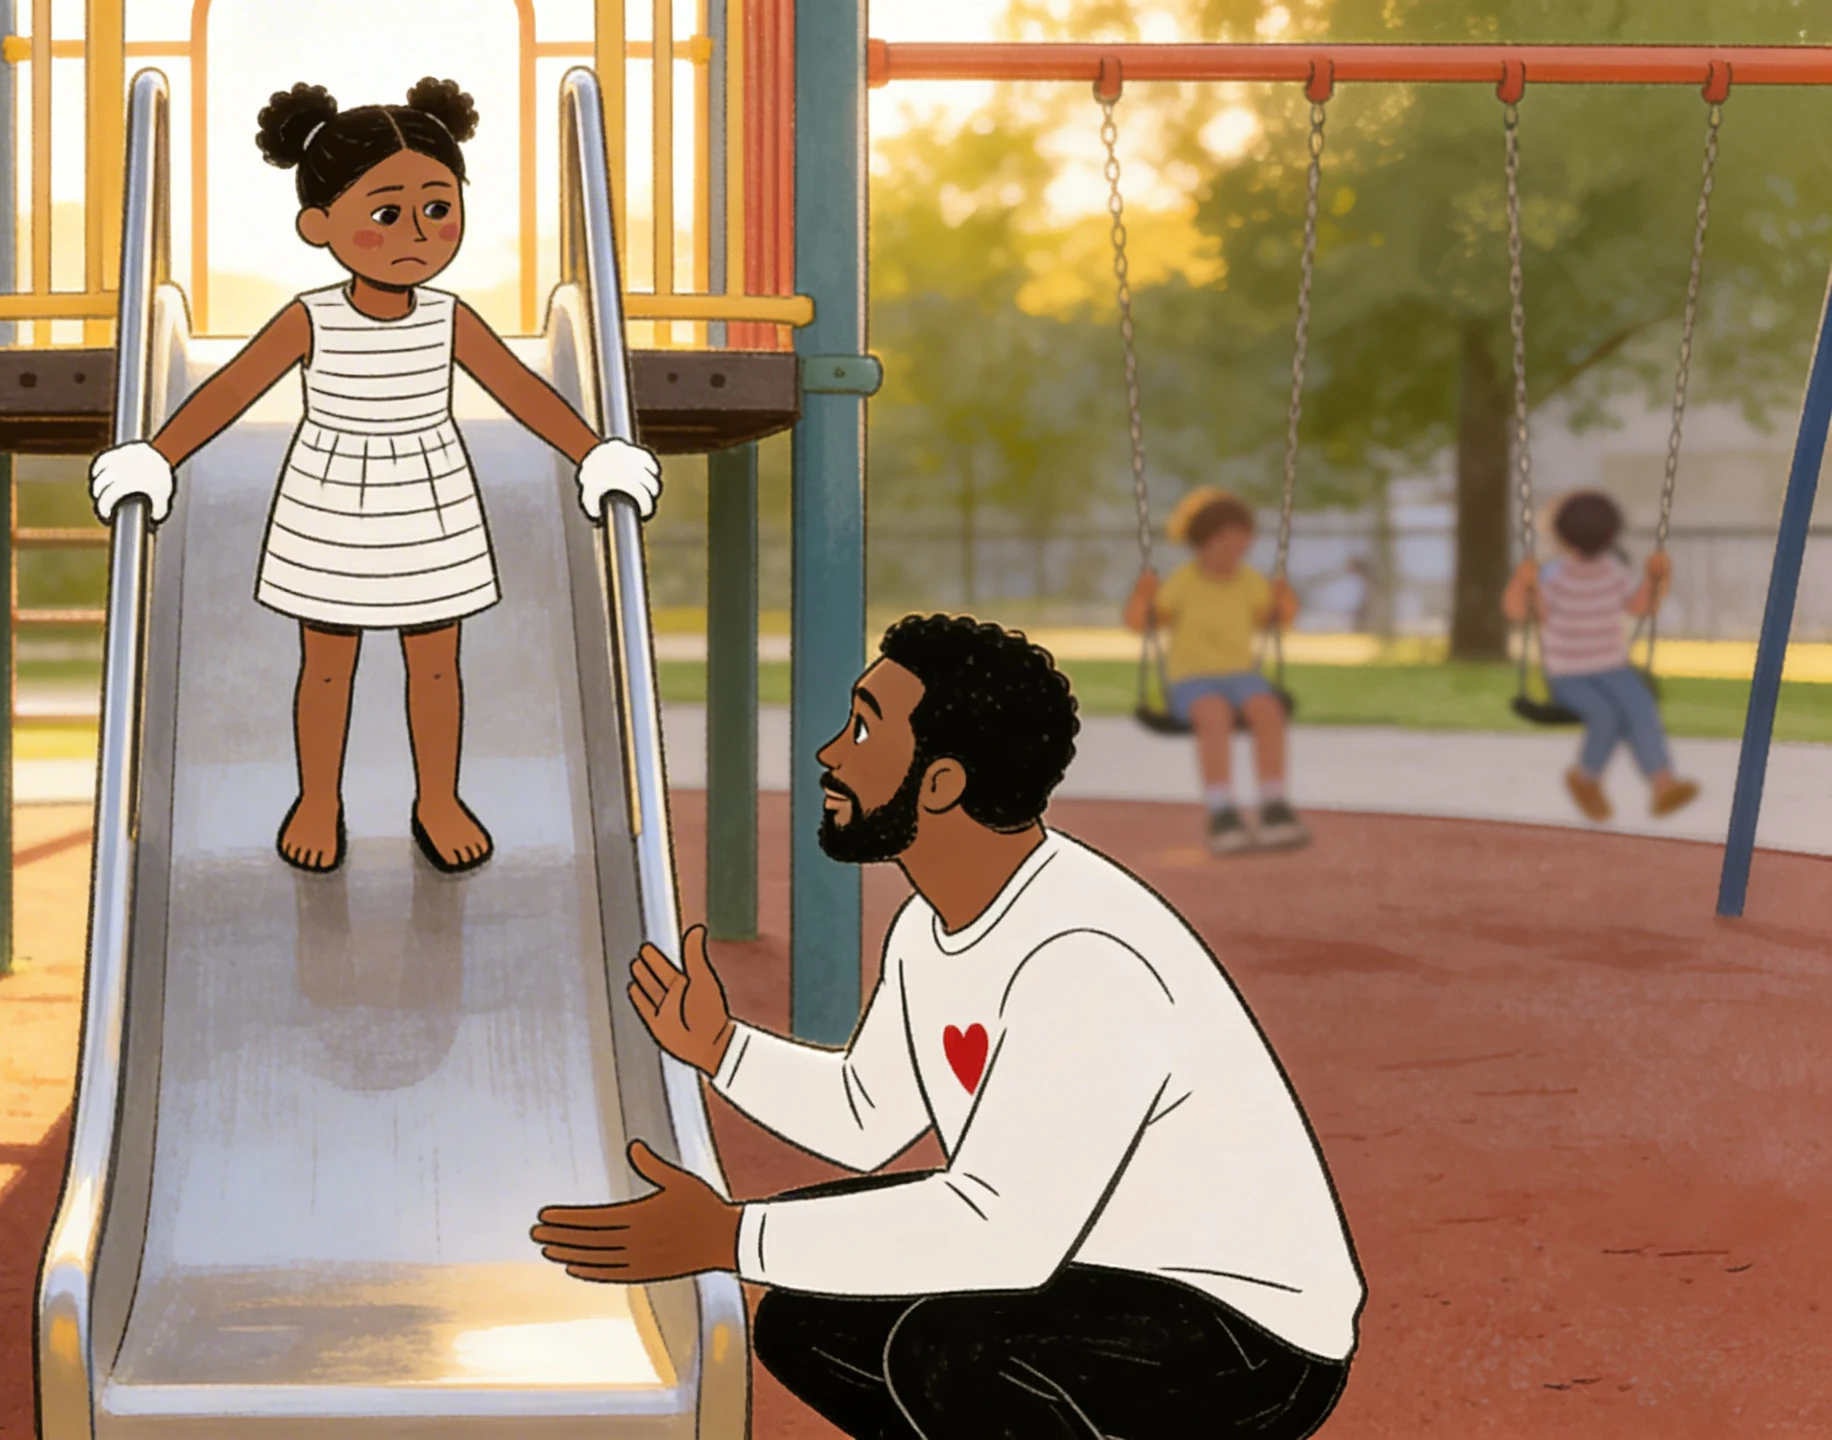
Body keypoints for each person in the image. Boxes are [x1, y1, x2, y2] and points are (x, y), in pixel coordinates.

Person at [533, 615, 1363, 1440]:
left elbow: (1003, 1233)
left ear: (940, 784)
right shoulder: (930, 927)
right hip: (1089, 1263)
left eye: (864, 730)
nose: (830, 754)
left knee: (947, 1349)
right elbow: (866, 1117)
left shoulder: (1082, 956)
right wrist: (722, 1048)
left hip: (1249, 1333)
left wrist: (732, 1234)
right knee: (805, 1320)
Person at [85, 78, 662, 876]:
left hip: (430, 500)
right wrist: (159, 453)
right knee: (328, 664)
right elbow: (233, 388)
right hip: (331, 501)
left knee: (437, 662)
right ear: (318, 225)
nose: (417, 234)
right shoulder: (313, 317)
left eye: (439, 207)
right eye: (387, 214)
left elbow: (519, 390)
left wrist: (593, 451)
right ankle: (318, 797)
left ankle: (438, 799)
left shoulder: (449, 318)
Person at [1126, 486, 1307, 855]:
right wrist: (1143, 597)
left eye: (1241, 540)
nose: (1234, 548)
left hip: (1242, 676)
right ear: (1202, 543)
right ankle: (1221, 809)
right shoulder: (1183, 581)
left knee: (1268, 710)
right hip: (1191, 681)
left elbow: (1273, 620)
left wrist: (1284, 601)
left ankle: (1273, 803)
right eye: (1224, 540)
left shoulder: (1250, 581)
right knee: (1213, 713)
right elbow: (1142, 623)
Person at [1503, 489, 1696, 821]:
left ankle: (1663, 784)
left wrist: (1656, 580)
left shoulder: (1613, 571)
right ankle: (1586, 778)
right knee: (1606, 714)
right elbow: (1521, 612)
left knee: (1640, 705)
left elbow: (1639, 606)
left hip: (1612, 666)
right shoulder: (1552, 576)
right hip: (1569, 673)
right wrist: (1523, 583)